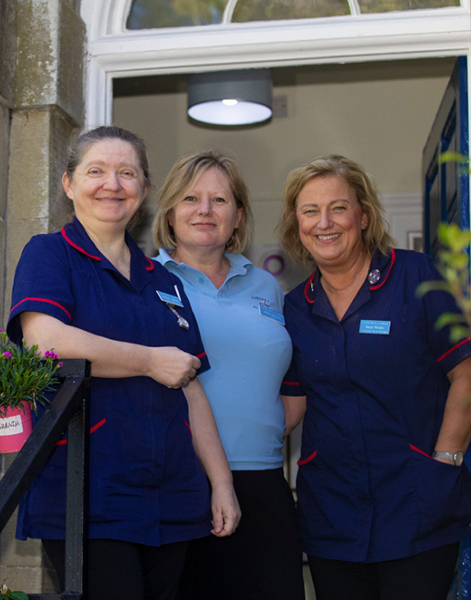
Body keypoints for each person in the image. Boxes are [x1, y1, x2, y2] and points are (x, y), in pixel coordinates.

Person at [6, 126, 240, 600]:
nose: (112, 184)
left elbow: (191, 386)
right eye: (96, 171)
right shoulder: (49, 254)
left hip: (172, 494)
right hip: (88, 491)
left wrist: (222, 483)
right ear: (69, 184)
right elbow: (45, 341)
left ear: (145, 190)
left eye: (126, 173)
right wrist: (150, 361)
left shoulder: (165, 281)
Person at [277, 154, 471, 600]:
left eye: (338, 207)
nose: (325, 223)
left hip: (416, 501)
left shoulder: (418, 276)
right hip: (331, 511)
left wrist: (445, 462)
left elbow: (469, 372)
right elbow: (291, 406)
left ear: (364, 215)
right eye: (310, 211)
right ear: (297, 225)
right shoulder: (295, 307)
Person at [152, 149, 305, 600]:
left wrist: (265, 432)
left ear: (238, 216)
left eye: (219, 200)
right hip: (181, 484)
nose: (204, 210)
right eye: (190, 199)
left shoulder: (265, 286)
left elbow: (289, 381)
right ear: (170, 213)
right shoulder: (146, 282)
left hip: (264, 482)